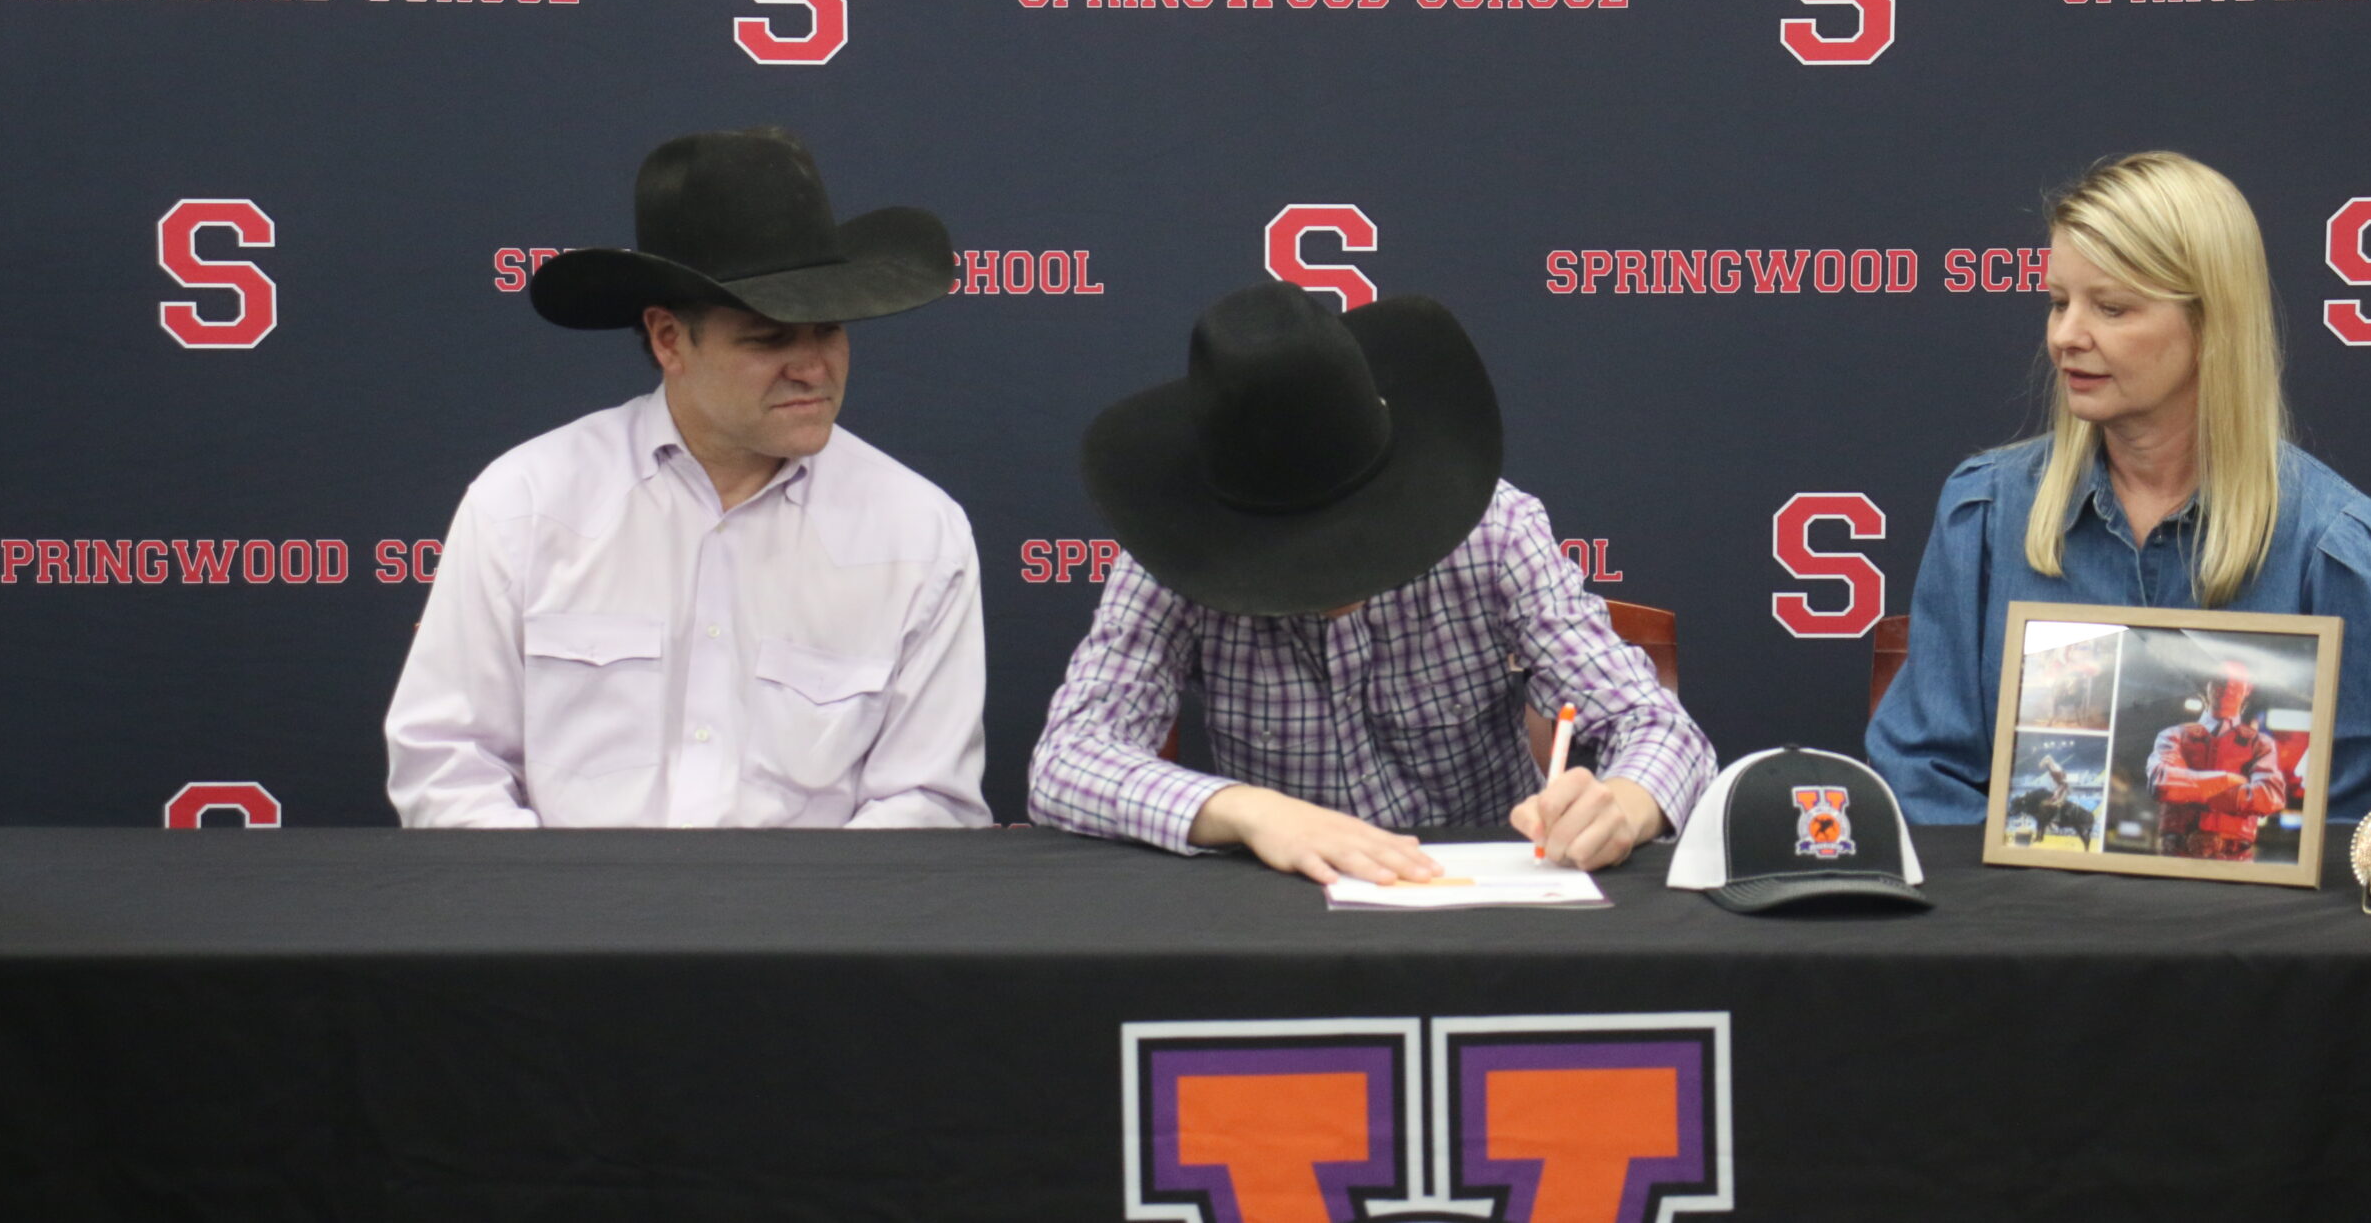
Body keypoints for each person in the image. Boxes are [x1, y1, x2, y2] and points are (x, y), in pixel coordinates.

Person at [386, 127, 989, 829]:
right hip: (558, 902)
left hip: (817, 905)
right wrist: (561, 899)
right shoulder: (525, 503)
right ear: (669, 338)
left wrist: (800, 905)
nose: (813, 367)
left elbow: (926, 801)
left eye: (829, 330)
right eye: (769, 337)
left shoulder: (918, 531)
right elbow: (448, 765)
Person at [1027, 281, 1716, 883]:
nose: (1336, 573)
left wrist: (1623, 805)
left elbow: (1660, 728)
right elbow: (1066, 760)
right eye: (1295, 550)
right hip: (1278, 913)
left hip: (1487, 901)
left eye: (1355, 536)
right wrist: (1248, 811)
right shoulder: (1173, 554)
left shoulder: (1497, 530)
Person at [1868, 151, 2371, 823]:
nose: (2065, 336)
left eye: (2111, 308)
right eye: (2058, 303)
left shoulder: (2343, 554)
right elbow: (1924, 778)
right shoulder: (1985, 515)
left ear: (2211, 324)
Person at [2147, 663, 2284, 861]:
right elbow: (2163, 784)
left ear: (2248, 689)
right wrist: (2228, 781)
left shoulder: (2261, 743)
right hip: (2177, 854)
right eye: (2221, 680)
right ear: (2207, 684)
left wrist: (2189, 789)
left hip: (2234, 858)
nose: (2228, 687)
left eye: (2236, 682)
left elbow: (2270, 797)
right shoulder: (2173, 736)